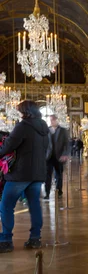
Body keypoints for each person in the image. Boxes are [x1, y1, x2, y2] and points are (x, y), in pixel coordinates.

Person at [0, 100, 49, 253]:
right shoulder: (43, 127)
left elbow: (8, 146)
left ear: (25, 112)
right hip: (37, 173)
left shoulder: (22, 127)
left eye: (20, 111)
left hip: (20, 174)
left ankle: (6, 240)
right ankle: (35, 238)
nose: (19, 113)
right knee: (34, 205)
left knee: (6, 205)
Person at [45, 114, 69, 199]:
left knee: (59, 174)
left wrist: (65, 154)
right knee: (47, 175)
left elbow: (67, 144)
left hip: (59, 156)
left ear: (57, 120)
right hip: (48, 157)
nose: (52, 121)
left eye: (54, 120)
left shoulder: (63, 130)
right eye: (51, 120)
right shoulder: (46, 130)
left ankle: (59, 191)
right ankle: (47, 193)